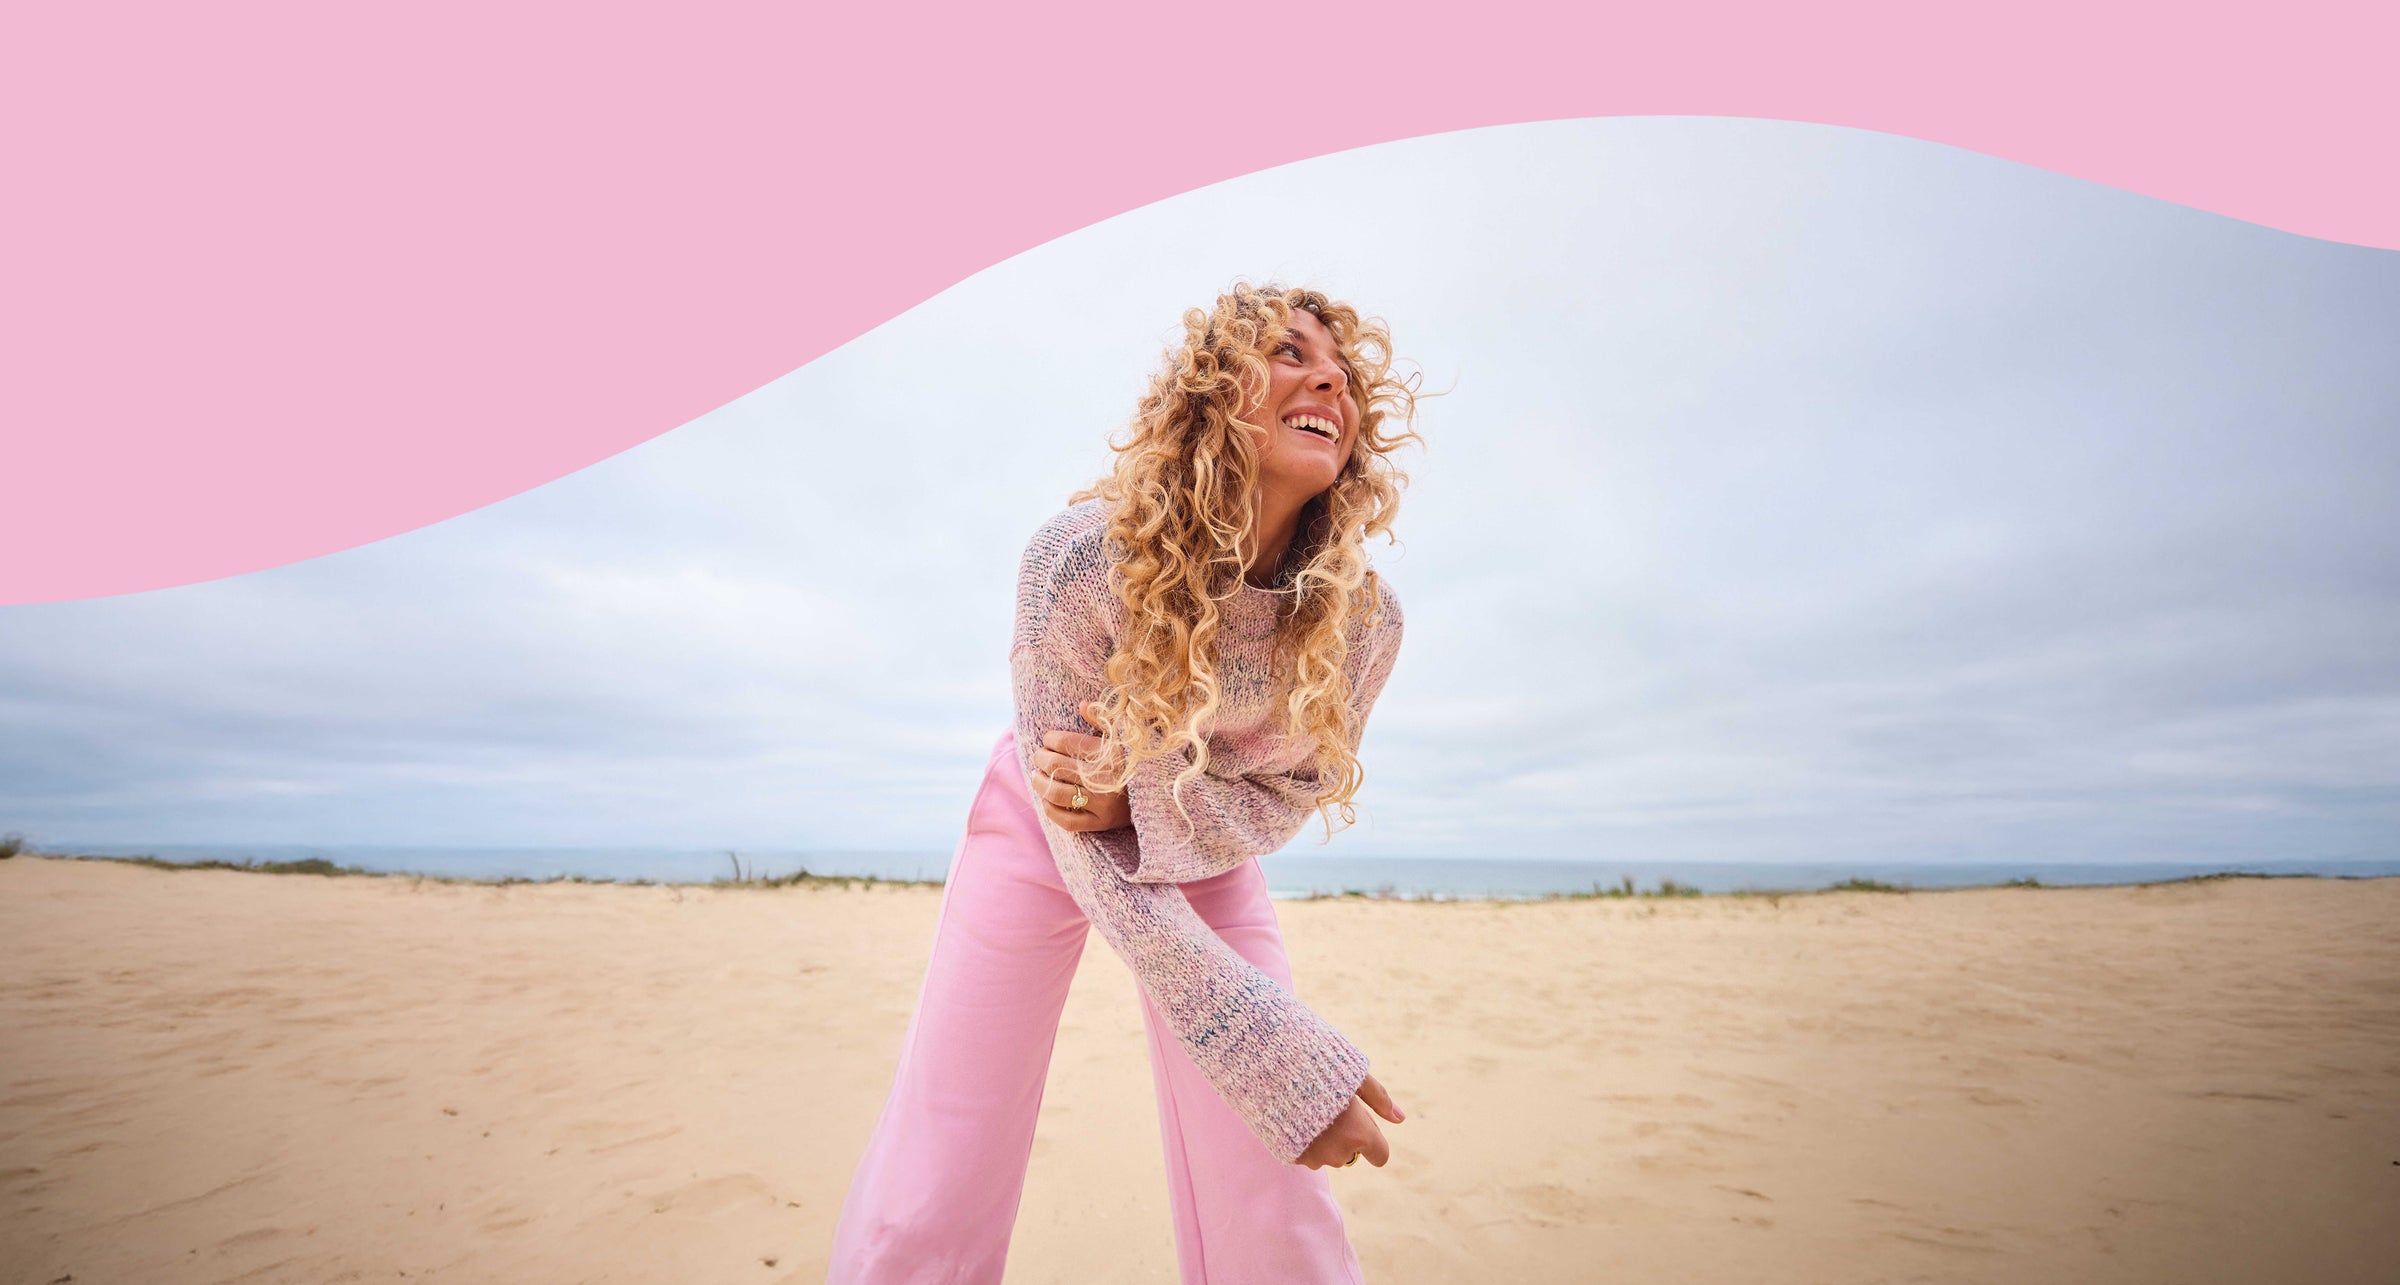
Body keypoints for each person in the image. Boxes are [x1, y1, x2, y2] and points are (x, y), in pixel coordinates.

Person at [826, 282, 1424, 1284]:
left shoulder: (1365, 621)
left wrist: (1150, 802)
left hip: (1205, 836)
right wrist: (1270, 1050)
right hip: (1041, 820)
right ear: (1210, 395)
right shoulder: (1078, 561)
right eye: (1286, 351)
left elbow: (1292, 788)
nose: (1327, 376)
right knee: (949, 1142)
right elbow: (1071, 809)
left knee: (1272, 1176)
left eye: (1343, 371)